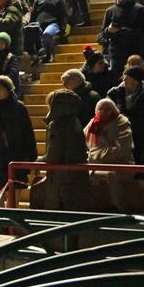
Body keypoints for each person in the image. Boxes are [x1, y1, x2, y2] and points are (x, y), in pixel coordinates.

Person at [41, 75, 90, 211]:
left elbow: (53, 155)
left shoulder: (57, 125)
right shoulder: (75, 121)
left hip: (61, 180)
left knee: (57, 218)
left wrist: (40, 161)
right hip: (76, 178)